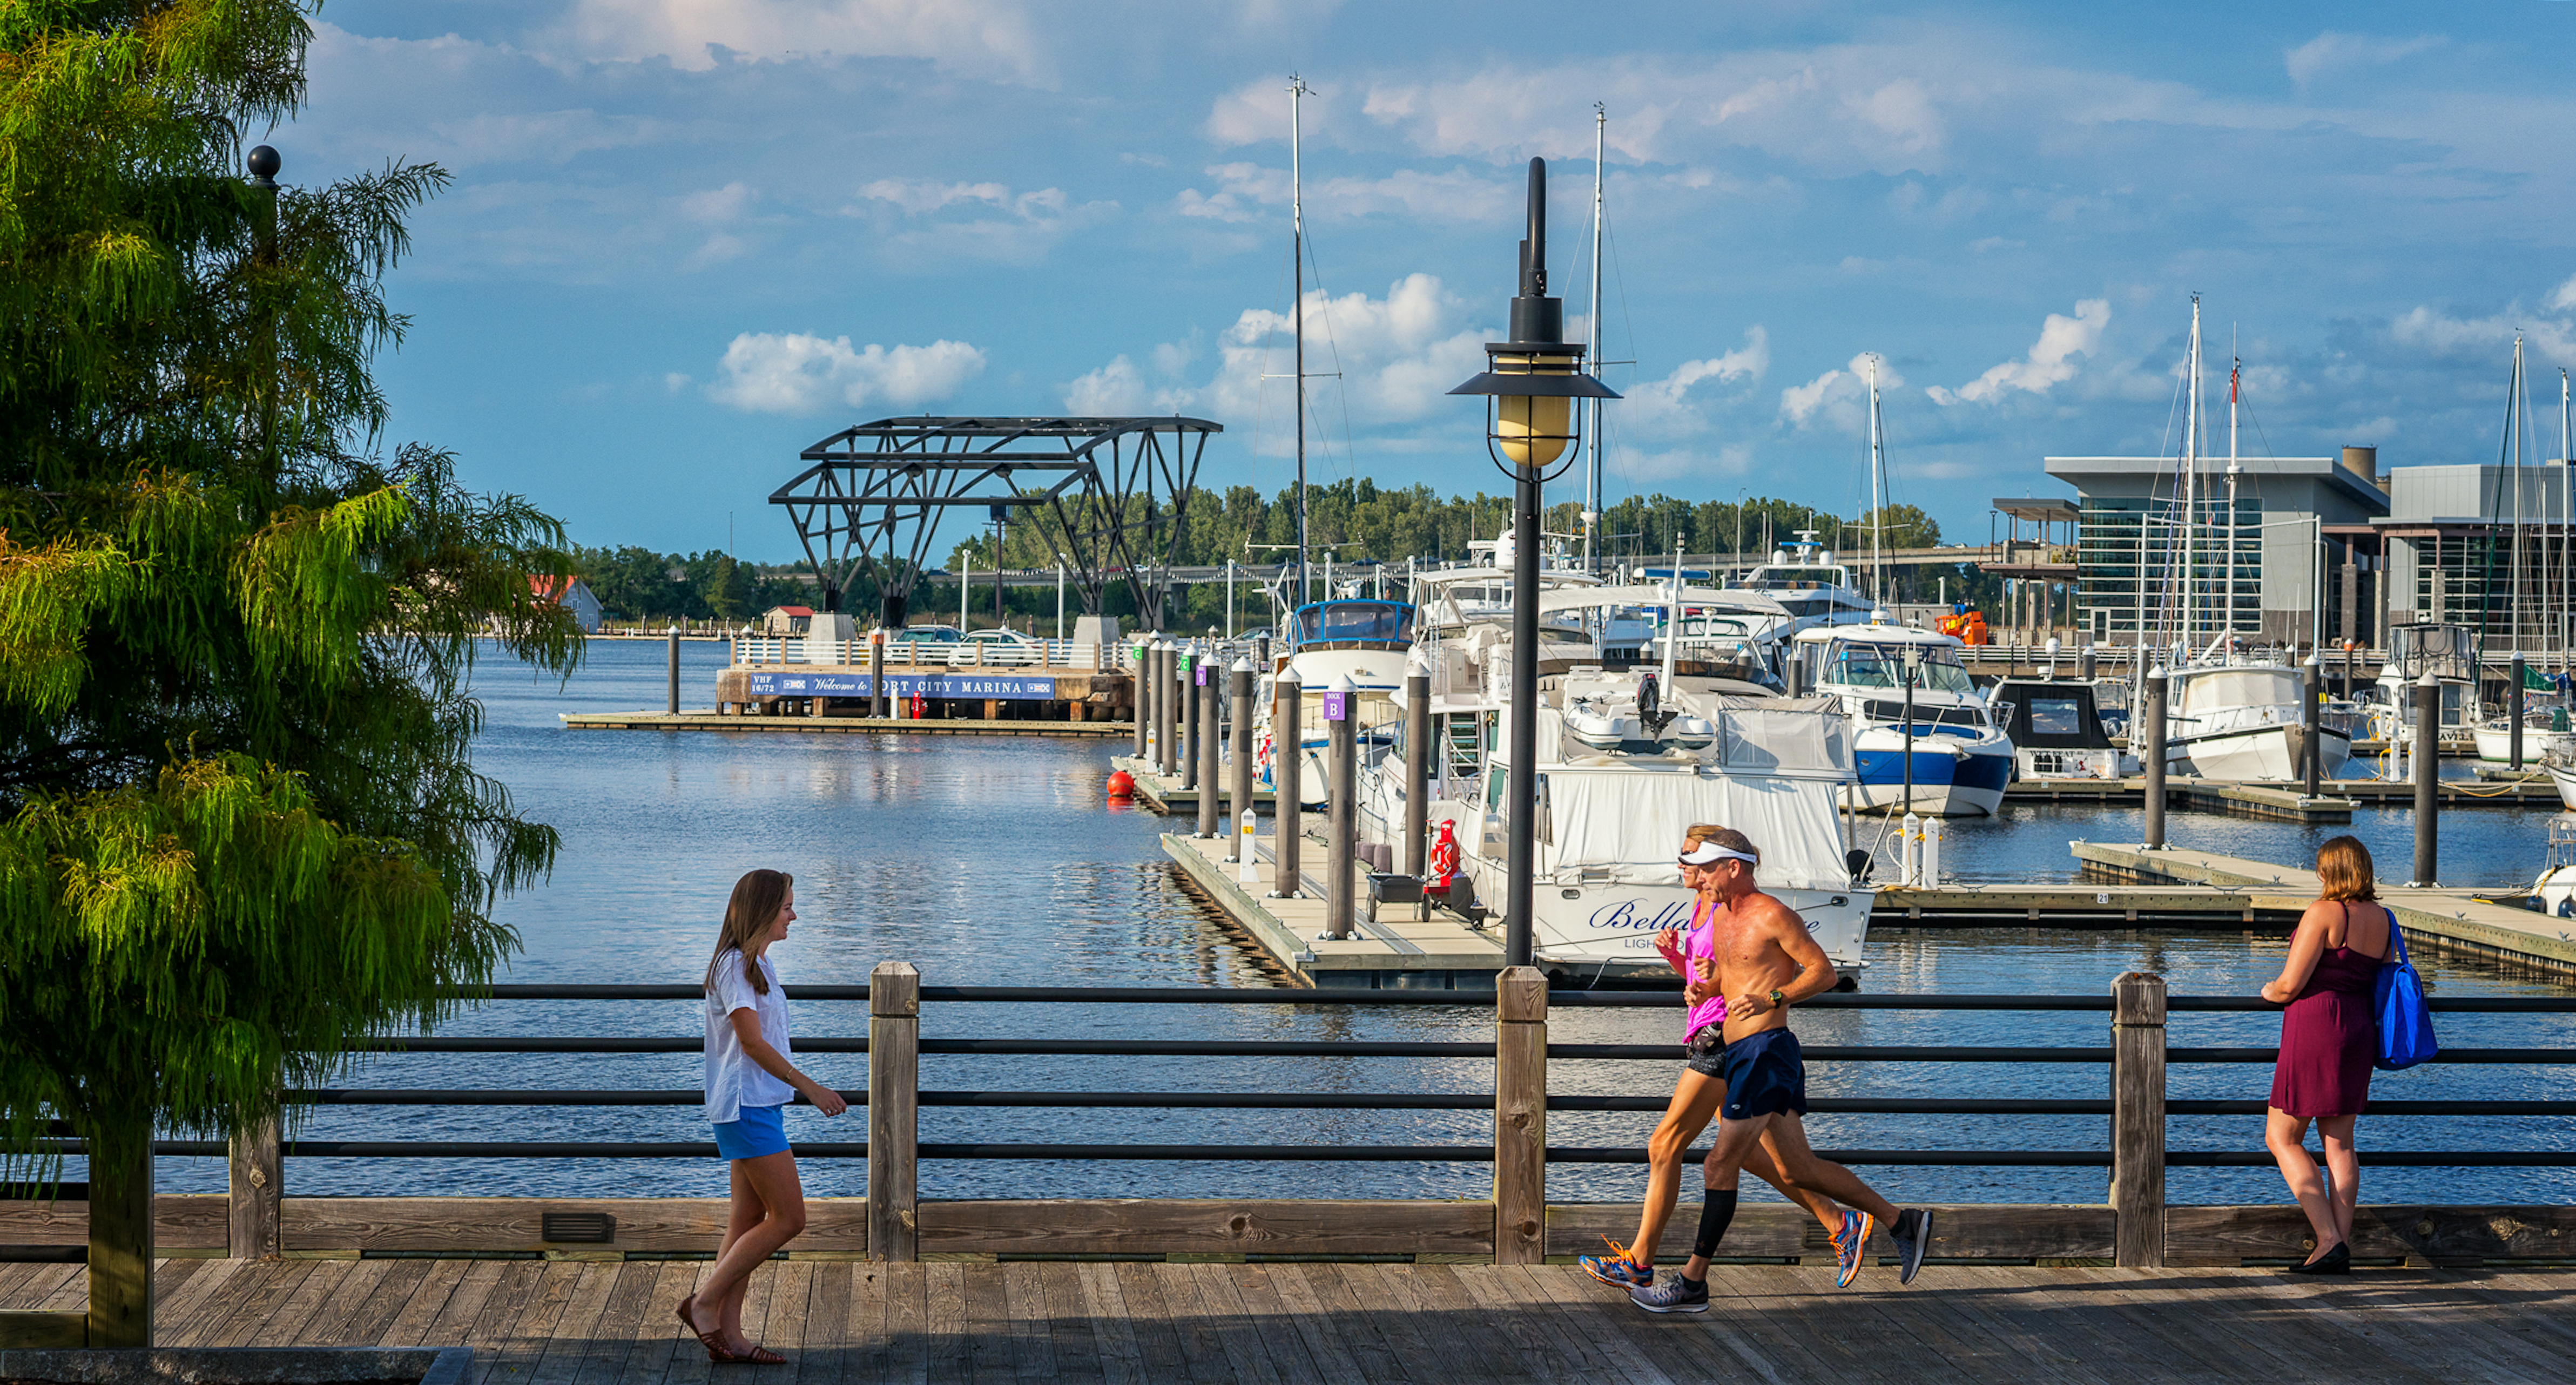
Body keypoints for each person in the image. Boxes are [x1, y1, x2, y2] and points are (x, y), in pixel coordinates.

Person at [1630, 828, 1932, 1313]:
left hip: (1766, 1051)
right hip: (1742, 1049)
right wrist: (1704, 991)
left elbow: (1823, 972)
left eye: (1708, 868)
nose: (1700, 877)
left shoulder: (1772, 914)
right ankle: (1902, 1222)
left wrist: (1774, 997)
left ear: (1735, 867)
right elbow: (1732, 979)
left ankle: (1693, 1282)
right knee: (1796, 1167)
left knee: (1719, 1164)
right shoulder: (1724, 916)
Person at [1579, 828, 1860, 1295]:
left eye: (1693, 859)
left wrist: (1761, 996)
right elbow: (1709, 975)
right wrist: (1681, 964)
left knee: (1666, 1143)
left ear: (1725, 865)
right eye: (1689, 859)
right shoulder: (1710, 906)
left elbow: (1793, 972)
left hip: (1726, 1037)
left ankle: (1644, 1263)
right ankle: (1841, 1220)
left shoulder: (1733, 906)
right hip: (1716, 1031)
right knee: (1762, 1159)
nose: (1686, 866)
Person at [677, 869, 848, 1363]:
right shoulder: (733, 967)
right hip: (744, 1106)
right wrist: (810, 1086)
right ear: (763, 911)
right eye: (787, 907)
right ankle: (704, 1303)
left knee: (749, 1218)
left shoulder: (758, 966)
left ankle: (729, 1335)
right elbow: (751, 1042)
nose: (794, 915)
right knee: (790, 1217)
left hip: (759, 1103)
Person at [2258, 835, 2390, 1276]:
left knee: (2282, 1137)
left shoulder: (2323, 912)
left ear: (2328, 871)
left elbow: (2290, 984)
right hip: (2358, 1029)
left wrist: (2268, 990)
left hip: (2316, 1028)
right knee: (2340, 1143)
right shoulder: (2383, 918)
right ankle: (2341, 1246)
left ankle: (2328, 1238)